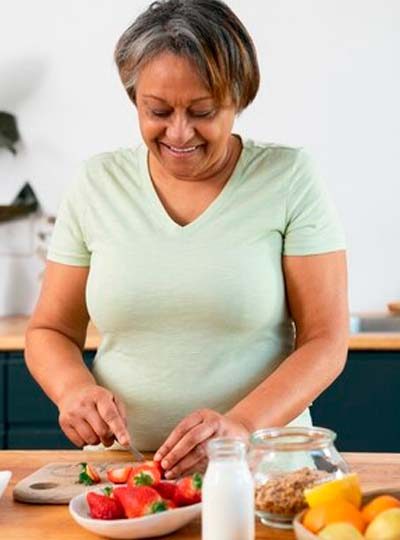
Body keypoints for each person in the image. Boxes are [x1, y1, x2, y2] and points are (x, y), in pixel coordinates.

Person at [25, 0, 348, 480]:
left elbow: (326, 340)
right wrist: (73, 389)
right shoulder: (97, 183)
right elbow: (50, 331)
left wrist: (241, 426)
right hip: (124, 475)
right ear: (135, 99)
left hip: (260, 469)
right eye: (158, 111)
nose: (179, 132)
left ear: (238, 99)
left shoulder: (288, 178)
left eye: (202, 111)